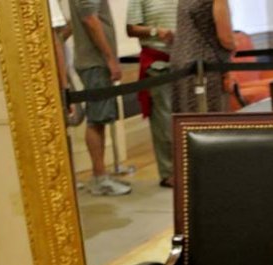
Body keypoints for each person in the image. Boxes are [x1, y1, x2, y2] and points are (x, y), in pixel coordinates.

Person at [69, 0, 132, 196]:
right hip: (95, 63)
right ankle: (99, 177)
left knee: (100, 119)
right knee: (97, 119)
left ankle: (101, 174)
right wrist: (110, 58)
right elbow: (90, 20)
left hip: (95, 62)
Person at [125, 0, 178, 187]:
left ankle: (188, 167)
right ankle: (169, 172)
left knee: (186, 115)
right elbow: (131, 28)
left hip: (184, 61)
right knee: (164, 119)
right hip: (158, 62)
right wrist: (156, 32)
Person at [170, 0, 236, 114]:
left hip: (180, 60)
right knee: (211, 120)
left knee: (185, 118)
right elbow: (226, 38)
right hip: (206, 64)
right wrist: (234, 46)